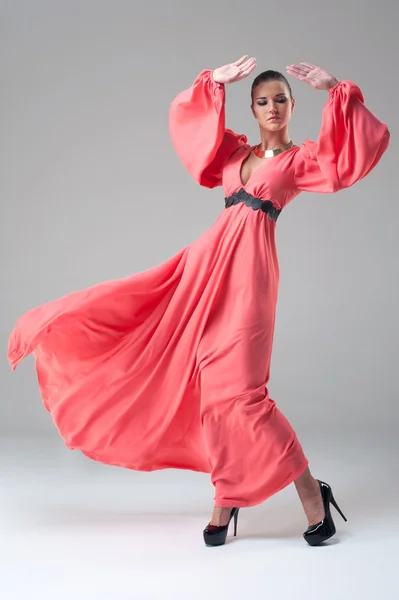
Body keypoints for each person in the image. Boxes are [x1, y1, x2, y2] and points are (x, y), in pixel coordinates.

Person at [8, 56, 390, 548]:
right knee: (212, 394)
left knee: (246, 395)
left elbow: (350, 159)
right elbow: (193, 137)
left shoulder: (302, 160)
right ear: (252, 110)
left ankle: (313, 494)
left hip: (250, 279)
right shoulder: (234, 154)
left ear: (293, 106)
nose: (272, 107)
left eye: (280, 100)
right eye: (262, 101)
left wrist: (337, 89)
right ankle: (226, 498)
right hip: (204, 272)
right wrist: (212, 83)